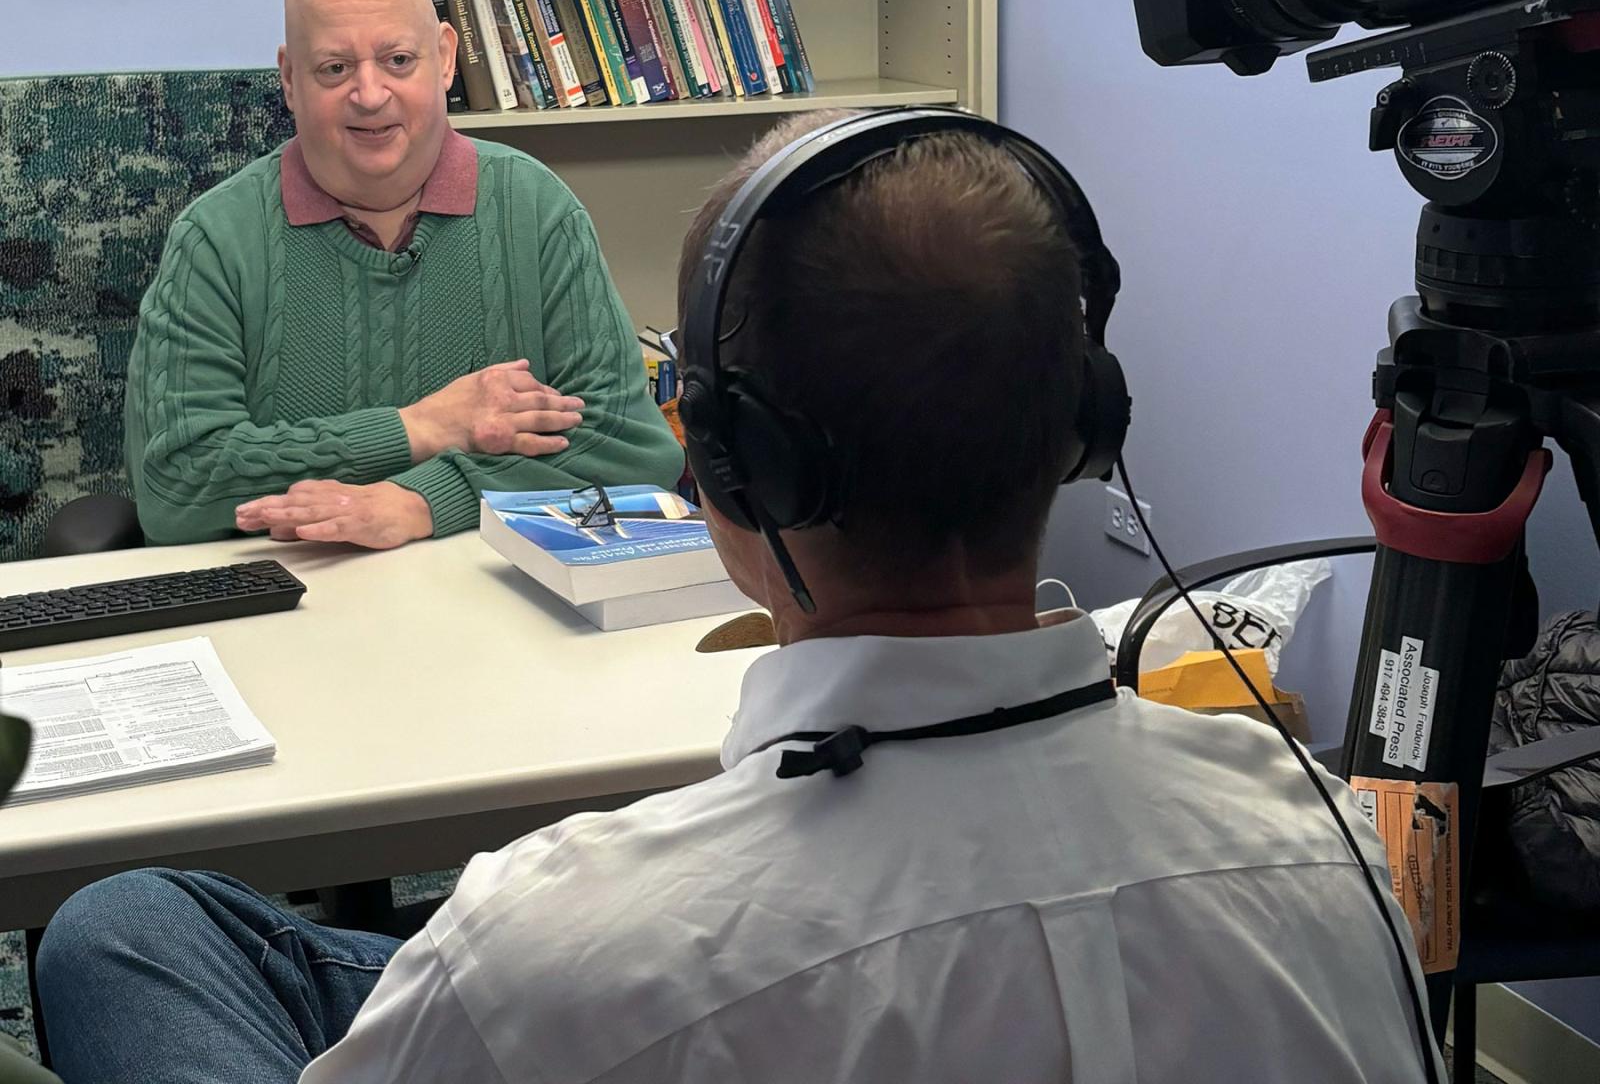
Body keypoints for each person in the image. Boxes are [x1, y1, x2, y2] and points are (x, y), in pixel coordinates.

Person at [38, 109, 1439, 1083]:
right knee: (141, 920)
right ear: (1084, 425)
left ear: (730, 465)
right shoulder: (1339, 865)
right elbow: (183, 476)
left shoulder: (549, 945)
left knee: (124, 928)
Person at [123, 0, 683, 550]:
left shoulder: (537, 209)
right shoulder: (214, 241)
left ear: (445, 59)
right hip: (287, 599)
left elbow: (630, 452)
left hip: (493, 603)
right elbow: (174, 489)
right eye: (335, 68)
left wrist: (422, 501)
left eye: (397, 60)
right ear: (288, 80)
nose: (369, 94)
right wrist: (419, 428)